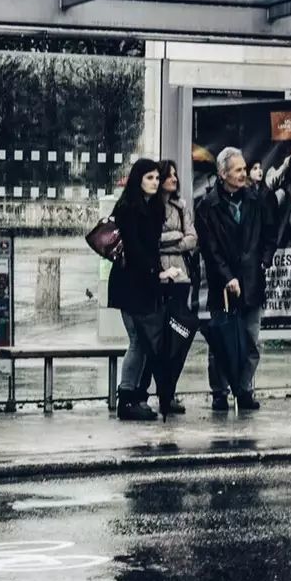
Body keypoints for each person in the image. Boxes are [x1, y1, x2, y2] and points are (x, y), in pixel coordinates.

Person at [195, 146, 279, 412]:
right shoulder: (208, 206)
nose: (244, 174)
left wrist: (265, 260)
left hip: (252, 280)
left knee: (251, 340)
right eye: (238, 170)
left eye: (244, 169)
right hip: (224, 285)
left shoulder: (256, 199)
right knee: (221, 340)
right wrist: (228, 277)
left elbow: (270, 234)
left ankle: (243, 390)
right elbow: (210, 249)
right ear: (223, 174)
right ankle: (219, 392)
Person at [108, 158, 165, 422]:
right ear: (138, 179)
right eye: (149, 178)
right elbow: (135, 248)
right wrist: (157, 271)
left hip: (144, 283)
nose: (155, 182)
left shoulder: (152, 207)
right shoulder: (129, 208)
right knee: (138, 340)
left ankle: (133, 395)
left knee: (142, 341)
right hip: (130, 283)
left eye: (156, 178)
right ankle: (127, 397)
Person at [155, 158, 198, 415]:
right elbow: (150, 241)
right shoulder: (151, 207)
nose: (174, 179)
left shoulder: (181, 207)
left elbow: (192, 239)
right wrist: (175, 237)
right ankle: (159, 392)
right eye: (169, 175)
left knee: (180, 336)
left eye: (175, 175)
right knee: (159, 338)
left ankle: (169, 392)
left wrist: (169, 242)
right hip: (159, 277)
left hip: (181, 278)